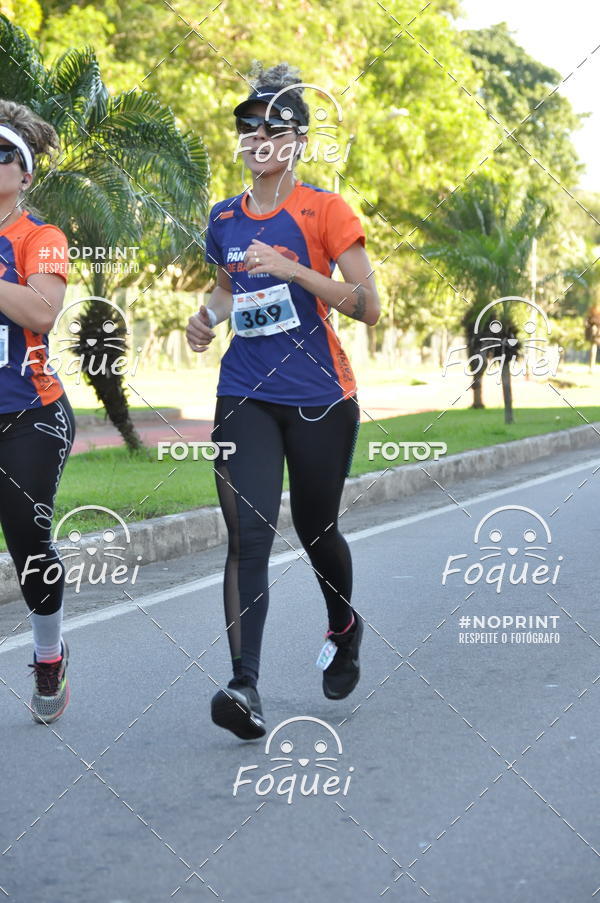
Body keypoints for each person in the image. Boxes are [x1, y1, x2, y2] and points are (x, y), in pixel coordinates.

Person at [186, 63, 380, 740]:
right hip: (245, 391)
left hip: (321, 395)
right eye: (248, 125)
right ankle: (244, 686)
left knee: (318, 527)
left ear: (298, 141)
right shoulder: (224, 219)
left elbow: (369, 307)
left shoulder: (327, 211)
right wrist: (206, 317)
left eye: (275, 126)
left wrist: (296, 268)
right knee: (249, 534)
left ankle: (344, 626)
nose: (260, 135)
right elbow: (226, 288)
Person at [0, 100, 75, 724]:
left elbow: (40, 313)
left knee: (27, 543)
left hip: (31, 412)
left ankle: (48, 659)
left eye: (4, 153)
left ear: (24, 174)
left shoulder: (40, 238)